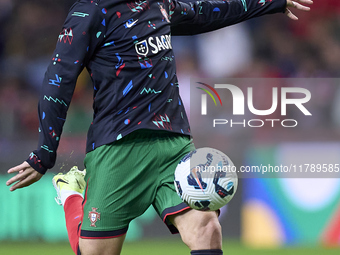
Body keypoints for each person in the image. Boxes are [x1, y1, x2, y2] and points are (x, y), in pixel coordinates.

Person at [6, 0, 312, 254]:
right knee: (95, 252)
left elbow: (207, 11)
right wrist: (44, 153)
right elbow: (58, 82)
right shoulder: (89, 11)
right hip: (118, 146)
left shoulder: (159, 4)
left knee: (206, 228)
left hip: (173, 144)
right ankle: (72, 193)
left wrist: (272, 3)